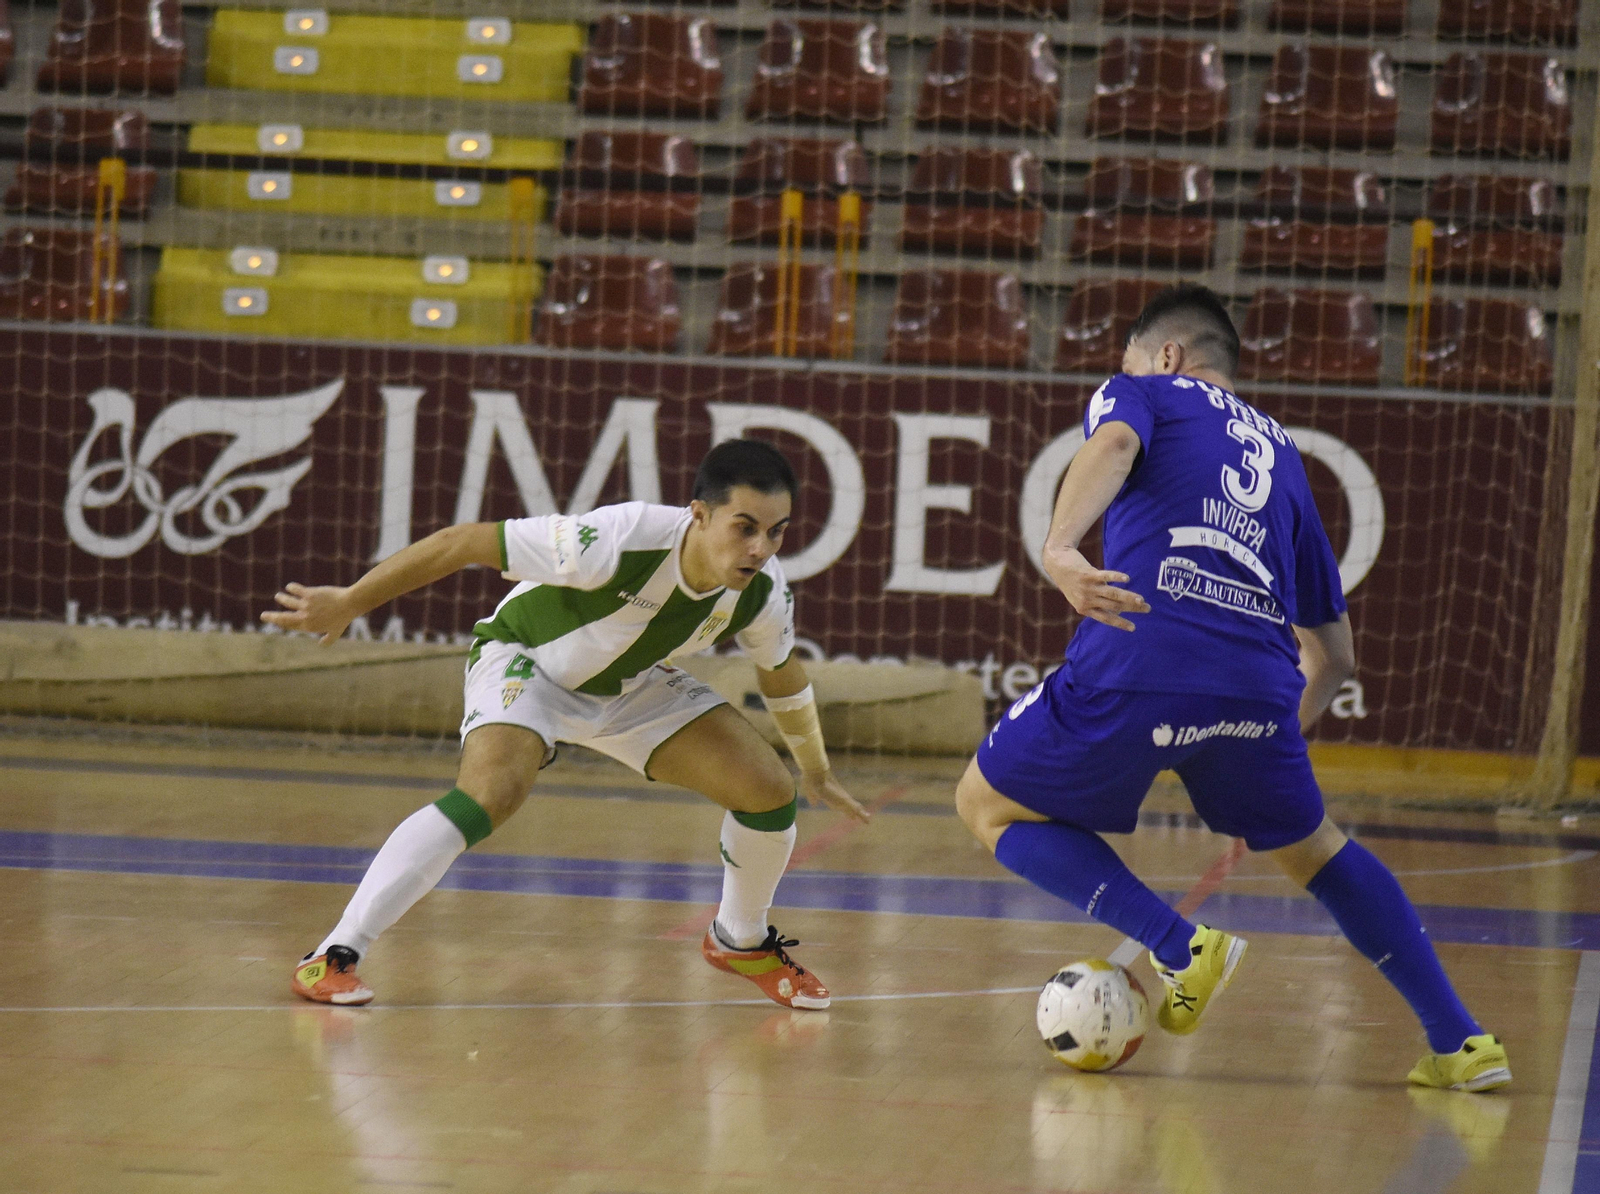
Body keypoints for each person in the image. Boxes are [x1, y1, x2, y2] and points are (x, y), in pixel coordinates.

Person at [954, 284, 1510, 1093]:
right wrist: (1270, 732)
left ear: (1168, 356)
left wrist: (1060, 548)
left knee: (984, 803)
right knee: (1317, 850)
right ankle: (1462, 1041)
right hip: (1259, 683)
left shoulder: (1142, 392)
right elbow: (1337, 654)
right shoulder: (1284, 455)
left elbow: (1110, 446)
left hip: (1142, 655)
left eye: (1133, 358)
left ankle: (1180, 946)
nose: (1127, 373)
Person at [263, 438, 868, 1010]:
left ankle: (739, 939)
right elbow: (461, 541)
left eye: (776, 532)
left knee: (767, 791)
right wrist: (350, 602)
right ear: (699, 516)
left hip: (628, 683)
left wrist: (814, 768)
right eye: (746, 527)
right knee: (491, 794)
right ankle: (332, 954)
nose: (760, 548)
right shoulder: (618, 537)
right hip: (528, 660)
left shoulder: (762, 591)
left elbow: (782, 673)